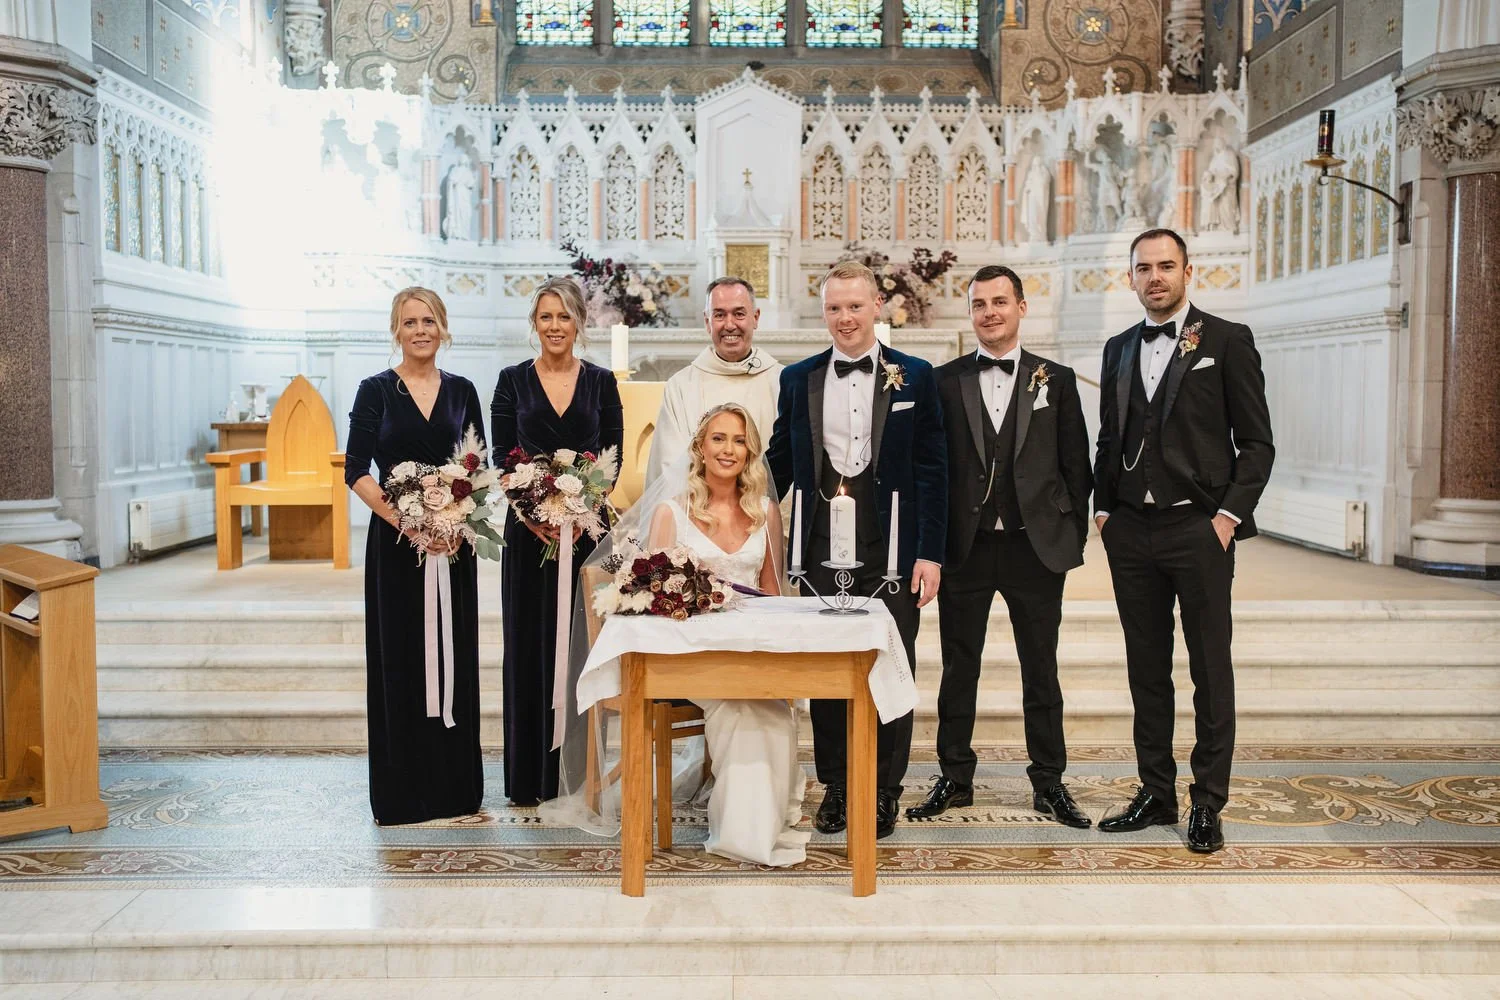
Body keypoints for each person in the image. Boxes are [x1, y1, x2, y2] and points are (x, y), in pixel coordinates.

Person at [1093, 228, 1274, 853]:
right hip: (1131, 531)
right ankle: (1155, 791)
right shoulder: (1118, 347)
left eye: (1166, 266)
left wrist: (1226, 518)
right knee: (1146, 669)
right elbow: (1109, 438)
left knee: (1208, 667)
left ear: (1187, 271)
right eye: (1144, 268)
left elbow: (1257, 443)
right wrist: (1103, 509)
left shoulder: (1225, 340)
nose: (1155, 278)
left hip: (1198, 529)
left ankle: (1208, 804)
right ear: (1131, 278)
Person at [767, 259, 948, 840]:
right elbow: (779, 463)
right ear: (824, 313)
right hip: (820, 544)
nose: (845, 318)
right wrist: (723, 506)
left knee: (892, 664)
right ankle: (839, 784)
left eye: (855, 305)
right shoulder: (798, 379)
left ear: (877, 307)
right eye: (834, 308)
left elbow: (933, 468)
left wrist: (931, 552)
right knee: (827, 670)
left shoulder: (916, 376)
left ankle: (885, 789)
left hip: (891, 544)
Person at [911, 265, 1093, 827]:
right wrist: (933, 548)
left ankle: (1049, 781)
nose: (989, 312)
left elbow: (1076, 466)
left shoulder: (1055, 380)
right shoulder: (943, 381)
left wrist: (1067, 531)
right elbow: (931, 468)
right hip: (965, 548)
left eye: (999, 302)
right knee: (958, 668)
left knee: (1041, 668)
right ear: (970, 314)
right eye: (979, 304)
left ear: (1020, 307)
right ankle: (954, 777)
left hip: (1033, 549)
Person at [346, 286, 488, 825]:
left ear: (443, 327)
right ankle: (402, 795)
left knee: (455, 658)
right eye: (410, 322)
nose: (421, 330)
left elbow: (476, 464)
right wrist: (408, 522)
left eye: (429, 320)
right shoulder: (375, 390)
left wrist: (454, 520)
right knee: (400, 658)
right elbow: (356, 469)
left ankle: (454, 790)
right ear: (396, 330)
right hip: (396, 545)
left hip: (454, 544)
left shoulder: (463, 391)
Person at [644, 404, 805, 866]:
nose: (728, 449)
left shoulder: (766, 512)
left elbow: (773, 592)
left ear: (750, 452)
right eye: (718, 438)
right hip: (695, 654)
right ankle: (741, 834)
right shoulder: (670, 514)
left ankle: (757, 826)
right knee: (739, 709)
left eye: (738, 440)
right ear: (700, 446)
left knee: (770, 711)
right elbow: (656, 601)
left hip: (752, 650)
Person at [492, 276, 623, 805]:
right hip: (529, 537)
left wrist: (582, 505)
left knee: (584, 648)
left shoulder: (602, 381)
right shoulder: (510, 380)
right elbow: (504, 455)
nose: (554, 326)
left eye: (564, 317)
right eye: (545, 317)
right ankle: (530, 778)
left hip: (590, 536)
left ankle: (580, 773)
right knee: (530, 646)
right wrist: (534, 513)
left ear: (580, 323)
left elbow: (611, 457)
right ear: (534, 323)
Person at [645, 276, 783, 485]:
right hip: (698, 512)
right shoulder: (681, 386)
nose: (729, 325)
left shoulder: (782, 381)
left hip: (764, 510)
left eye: (739, 314)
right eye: (719, 315)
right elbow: (669, 466)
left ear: (755, 317)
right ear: (707, 321)